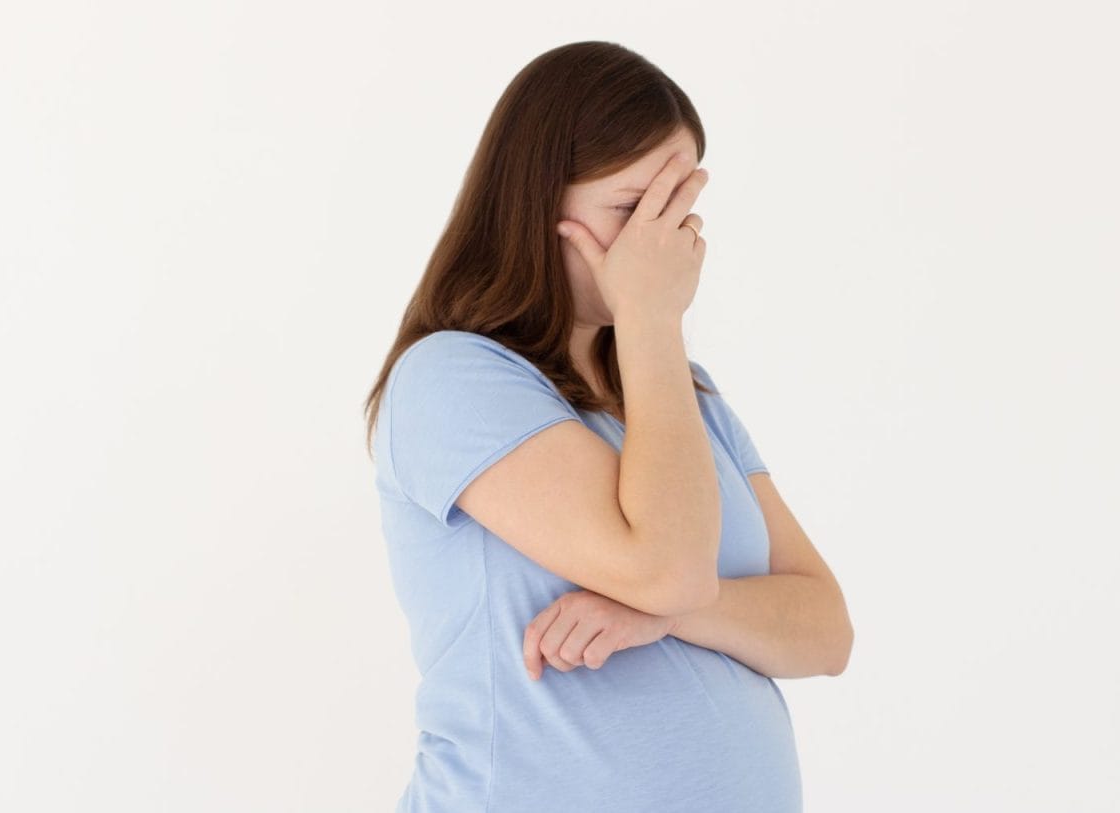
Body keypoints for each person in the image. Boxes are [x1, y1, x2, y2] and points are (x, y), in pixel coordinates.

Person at [362, 40, 850, 812]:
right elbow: (667, 566)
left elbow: (826, 630)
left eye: (677, 212)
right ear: (536, 205)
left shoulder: (686, 399)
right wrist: (651, 316)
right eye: (632, 212)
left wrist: (666, 616)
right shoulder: (450, 379)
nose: (663, 245)